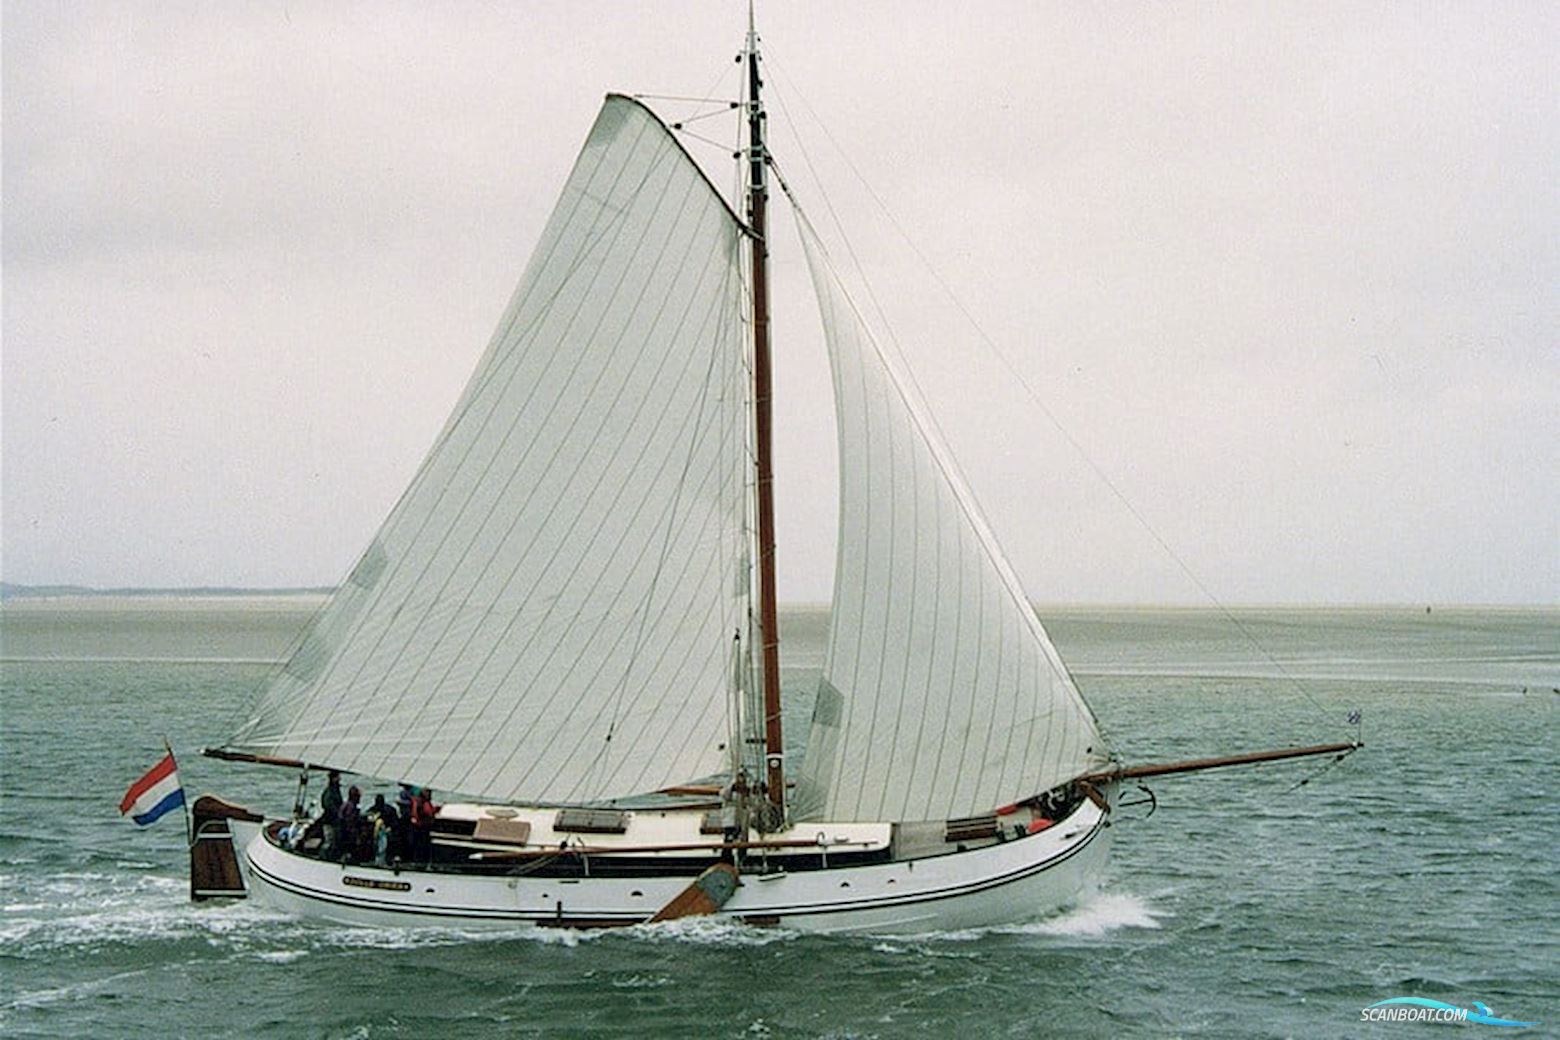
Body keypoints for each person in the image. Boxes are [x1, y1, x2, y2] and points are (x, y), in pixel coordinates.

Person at [365, 793, 398, 866]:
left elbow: (395, 823)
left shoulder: (389, 810)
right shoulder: (373, 810)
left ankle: (384, 861)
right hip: (376, 834)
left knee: (383, 847)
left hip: (386, 832)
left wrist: (389, 828)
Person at [409, 787, 440, 864]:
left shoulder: (418, 801)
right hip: (422, 829)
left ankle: (418, 861)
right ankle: (422, 863)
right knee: (422, 848)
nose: (430, 794)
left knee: (418, 848)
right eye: (429, 792)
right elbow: (428, 812)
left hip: (418, 828)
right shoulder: (422, 803)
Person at [320, 770, 344, 859]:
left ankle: (332, 856)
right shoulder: (330, 792)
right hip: (330, 821)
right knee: (329, 841)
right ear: (334, 778)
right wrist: (338, 814)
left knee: (334, 841)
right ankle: (323, 857)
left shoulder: (335, 790)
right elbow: (328, 806)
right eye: (338, 777)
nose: (340, 778)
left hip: (334, 821)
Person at [338, 785, 363, 862]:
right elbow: (350, 822)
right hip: (348, 834)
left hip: (342, 832)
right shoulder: (351, 807)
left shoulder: (345, 804)